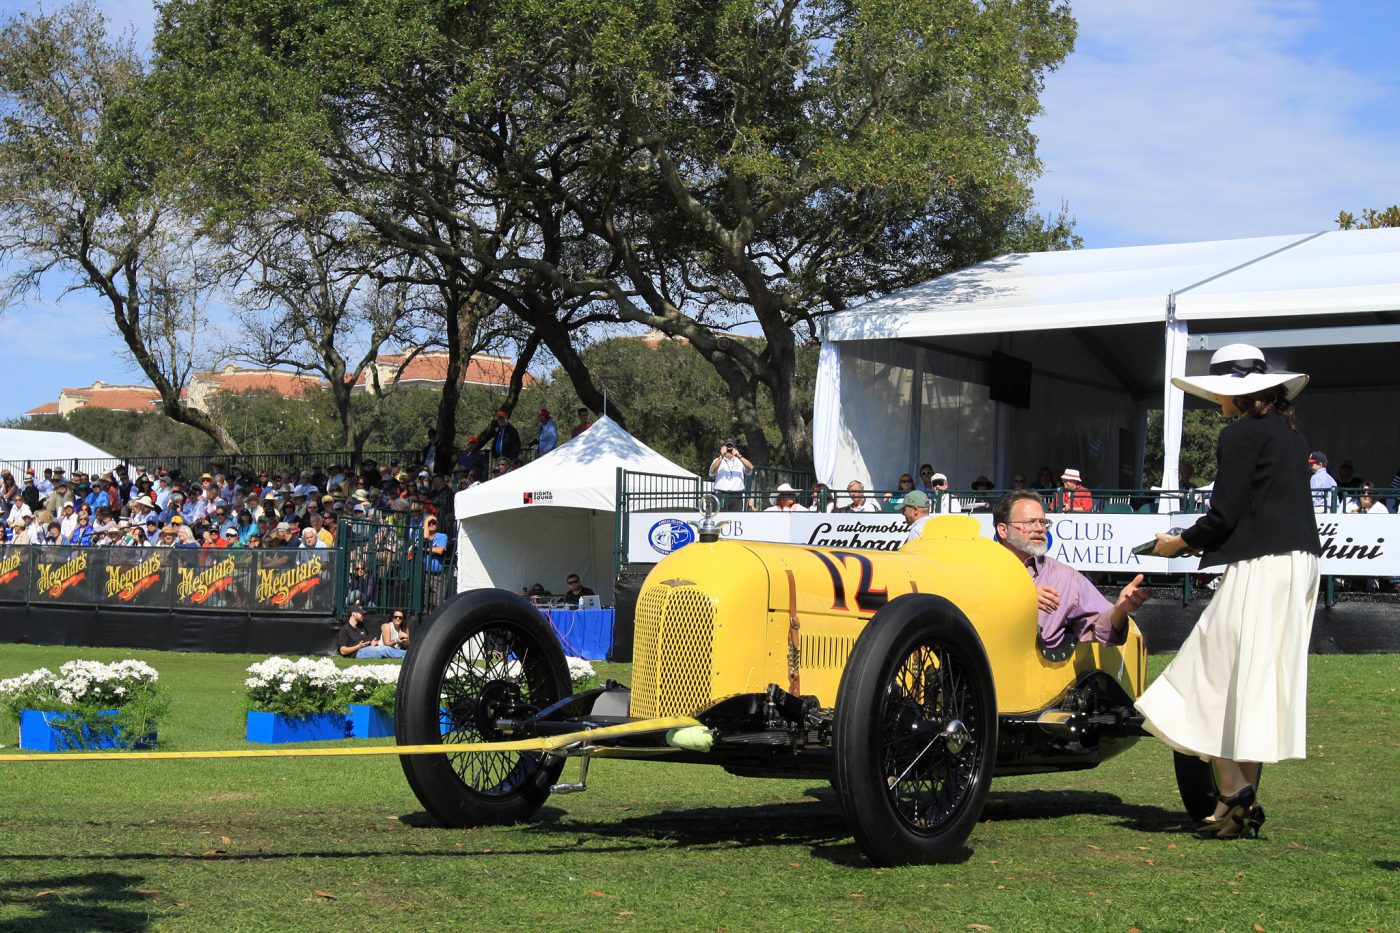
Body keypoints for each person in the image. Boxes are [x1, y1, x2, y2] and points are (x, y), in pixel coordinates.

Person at [1144, 343, 1320, 840]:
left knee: (1214, 672)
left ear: (1239, 394)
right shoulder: (1289, 433)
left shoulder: (1242, 434)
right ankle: (1237, 801)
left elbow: (1224, 514)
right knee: (1254, 680)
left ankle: (1233, 795)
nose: (1214, 400)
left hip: (1264, 564)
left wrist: (1176, 544)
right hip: (1297, 563)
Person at [993, 490, 1148, 655]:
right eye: (1030, 522)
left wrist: (1119, 610)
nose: (1039, 528)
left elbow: (1102, 628)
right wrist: (1022, 596)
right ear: (1003, 530)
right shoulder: (977, 568)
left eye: (1043, 522)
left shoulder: (1066, 578)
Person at [337, 608, 403, 659]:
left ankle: (407, 654)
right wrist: (358, 646)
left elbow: (362, 644)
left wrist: (371, 644)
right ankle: (407, 655)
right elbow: (343, 651)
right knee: (384, 649)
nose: (363, 615)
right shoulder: (344, 629)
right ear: (353, 614)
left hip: (365, 649)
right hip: (356, 653)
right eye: (361, 614)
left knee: (383, 648)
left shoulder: (361, 627)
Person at [708, 439, 753, 511]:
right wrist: (721, 456)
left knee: (735, 519)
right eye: (727, 448)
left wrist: (739, 456)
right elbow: (712, 471)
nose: (729, 450)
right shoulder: (718, 460)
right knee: (719, 519)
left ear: (735, 449)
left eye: (731, 448)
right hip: (721, 495)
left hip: (736, 496)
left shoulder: (740, 461)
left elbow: (750, 467)